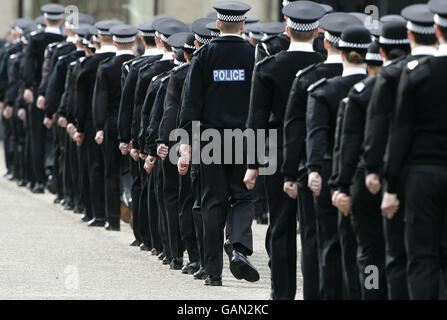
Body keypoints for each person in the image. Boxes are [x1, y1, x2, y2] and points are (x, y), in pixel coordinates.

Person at [245, 0, 325, 300]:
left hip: (276, 151)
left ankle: (282, 293)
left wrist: (252, 164)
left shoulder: (268, 66)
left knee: (281, 227)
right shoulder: (324, 64)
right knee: (313, 230)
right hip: (317, 151)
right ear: (317, 31)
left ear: (287, 28)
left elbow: (255, 120)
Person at [281, 12, 362, 300]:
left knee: (318, 240)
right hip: (364, 173)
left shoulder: (311, 80)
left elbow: (296, 130)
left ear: (325, 41)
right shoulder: (378, 83)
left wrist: (291, 173)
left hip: (320, 169)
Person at [179, 1, 259, 287]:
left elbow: (191, 104)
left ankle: (213, 273)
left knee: (212, 201)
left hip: (209, 139)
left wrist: (186, 143)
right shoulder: (254, 56)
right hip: (245, 138)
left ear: (218, 25)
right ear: (243, 25)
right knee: (242, 197)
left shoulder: (203, 56)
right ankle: (238, 247)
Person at [363, 4, 438, 300]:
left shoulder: (396, 75)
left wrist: (376, 171)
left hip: (406, 173)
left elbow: (387, 129)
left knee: (396, 255)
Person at [381, 0, 447, 300]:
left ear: (436, 31)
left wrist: (391, 186)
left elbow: (401, 132)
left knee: (422, 258)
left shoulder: (417, 73)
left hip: (422, 174)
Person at [306, 25, 371, 299]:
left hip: (332, 173)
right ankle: (368, 291)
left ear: (340, 53)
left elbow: (317, 133)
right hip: (367, 176)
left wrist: (314, 169)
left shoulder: (324, 90)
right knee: (368, 249)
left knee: (331, 245)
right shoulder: (376, 89)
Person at [118, 19, 164, 249]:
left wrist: (126, 138)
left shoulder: (138, 68)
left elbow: (131, 107)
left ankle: (144, 236)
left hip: (143, 136)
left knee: (141, 185)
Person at [74, 20, 121, 225]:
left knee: (98, 167)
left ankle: (100, 214)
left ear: (99, 38)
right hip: (129, 122)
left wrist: (80, 126)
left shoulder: (91, 63)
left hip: (98, 121)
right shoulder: (132, 62)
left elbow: (82, 99)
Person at [92, 24, 137, 231]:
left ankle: (112, 219)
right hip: (135, 123)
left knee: (111, 172)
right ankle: (136, 216)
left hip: (111, 121)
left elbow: (99, 100)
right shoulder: (138, 65)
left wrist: (99, 126)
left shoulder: (107, 66)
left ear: (115, 42)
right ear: (134, 42)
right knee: (134, 173)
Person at [22, 3, 66, 194]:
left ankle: (38, 180)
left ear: (46, 19)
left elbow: (28, 67)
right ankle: (55, 179)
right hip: (58, 95)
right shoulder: (65, 41)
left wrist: (29, 87)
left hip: (37, 92)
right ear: (62, 20)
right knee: (57, 140)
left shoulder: (36, 39)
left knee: (36, 137)